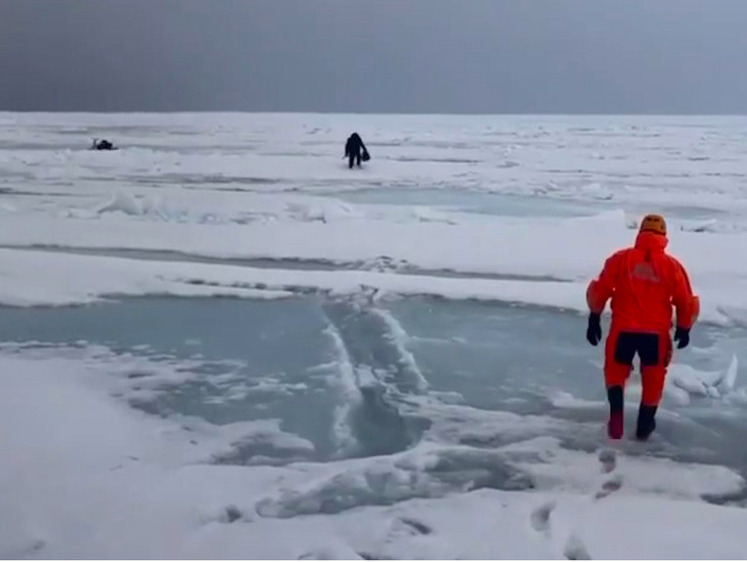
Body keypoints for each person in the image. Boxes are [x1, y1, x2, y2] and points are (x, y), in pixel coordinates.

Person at [585, 214, 700, 441]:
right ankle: (645, 424)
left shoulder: (621, 259)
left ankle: (616, 416)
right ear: (663, 237)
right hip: (655, 335)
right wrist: (684, 327)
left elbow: (601, 289)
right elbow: (685, 300)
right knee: (654, 378)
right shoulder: (672, 266)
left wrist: (594, 317)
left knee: (615, 372)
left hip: (624, 330)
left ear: (640, 233)